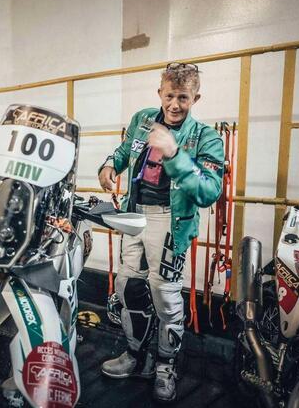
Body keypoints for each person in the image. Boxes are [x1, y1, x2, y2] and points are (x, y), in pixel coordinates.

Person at [98, 63, 224, 402]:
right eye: (169, 96)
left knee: (165, 296)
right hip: (134, 214)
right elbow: (125, 150)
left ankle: (166, 366)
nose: (174, 104)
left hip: (171, 220)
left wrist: (174, 153)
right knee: (128, 287)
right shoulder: (143, 119)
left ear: (195, 98)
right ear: (160, 93)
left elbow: (209, 192)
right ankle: (136, 355)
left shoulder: (206, 137)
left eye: (183, 97)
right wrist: (110, 165)